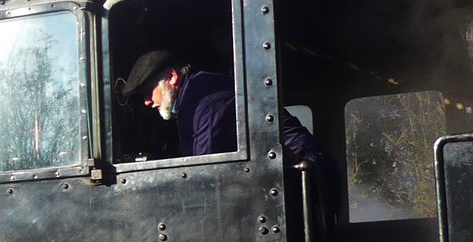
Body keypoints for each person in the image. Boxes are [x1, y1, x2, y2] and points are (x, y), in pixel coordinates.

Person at [120, 50, 330, 173]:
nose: (147, 102)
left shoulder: (204, 100)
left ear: (172, 77)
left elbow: (203, 171)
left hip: (304, 178)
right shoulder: (193, 96)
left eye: (149, 91)